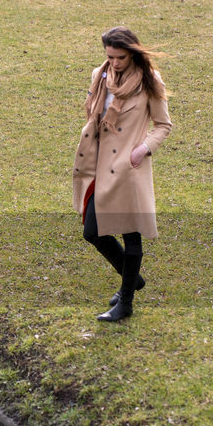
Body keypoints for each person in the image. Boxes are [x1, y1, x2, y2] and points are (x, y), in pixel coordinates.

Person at [73, 27, 172, 321]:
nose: (114, 63)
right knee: (92, 232)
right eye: (110, 57)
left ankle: (125, 301)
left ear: (133, 53)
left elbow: (164, 125)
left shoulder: (149, 81)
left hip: (129, 167)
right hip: (98, 163)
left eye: (121, 57)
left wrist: (143, 149)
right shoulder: (100, 75)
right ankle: (133, 278)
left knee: (131, 236)